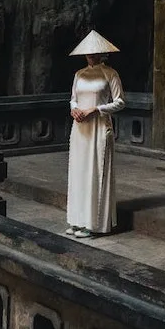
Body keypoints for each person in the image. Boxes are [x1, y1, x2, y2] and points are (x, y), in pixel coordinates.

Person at [65, 30, 125, 238]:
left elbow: (120, 102)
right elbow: (73, 98)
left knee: (94, 172)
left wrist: (96, 110)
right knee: (78, 172)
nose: (91, 56)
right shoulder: (79, 74)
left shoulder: (110, 74)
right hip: (80, 127)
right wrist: (74, 109)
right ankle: (77, 220)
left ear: (102, 53)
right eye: (88, 53)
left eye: (94, 53)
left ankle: (93, 223)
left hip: (99, 127)